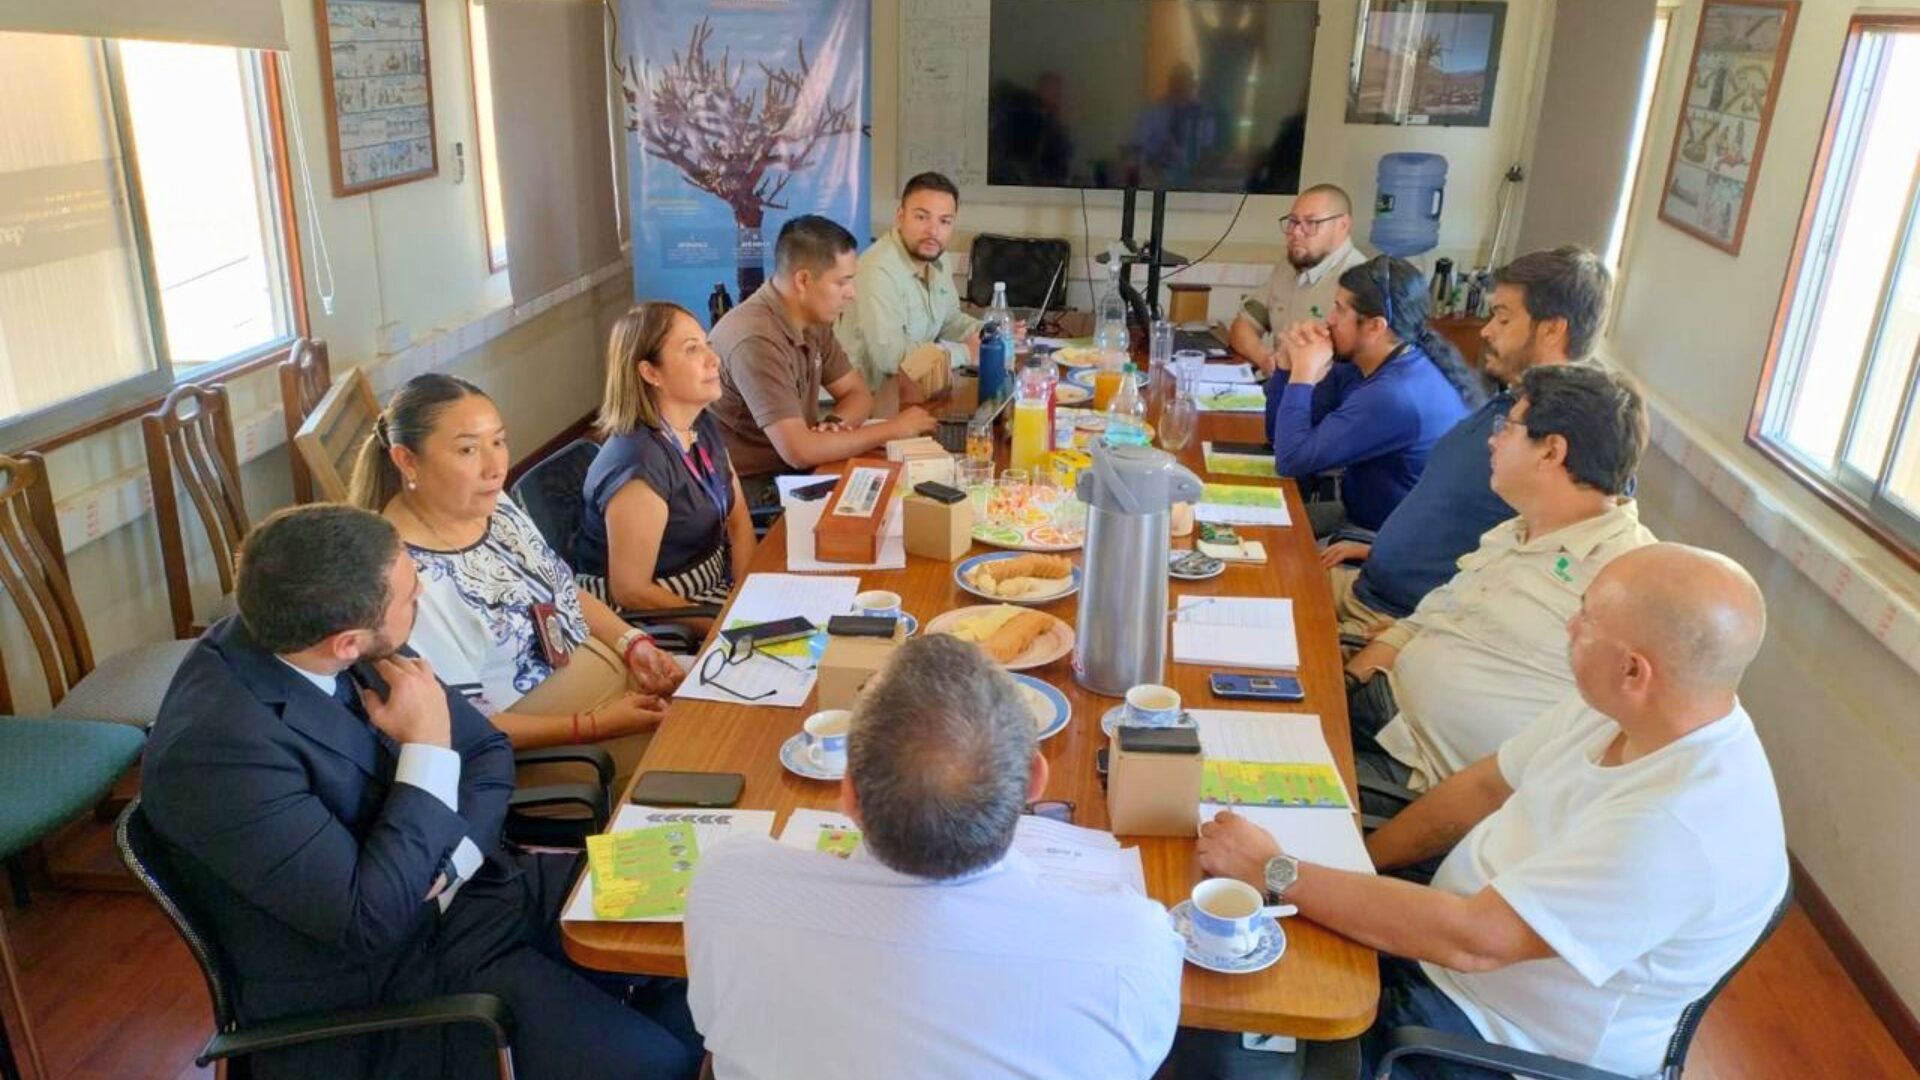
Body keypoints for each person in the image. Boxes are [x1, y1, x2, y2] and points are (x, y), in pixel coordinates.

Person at [142, 505, 703, 1080]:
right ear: (346, 644)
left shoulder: (324, 626)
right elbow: (371, 918)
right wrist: (429, 748)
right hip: (391, 984)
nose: (423, 598)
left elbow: (486, 752)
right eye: (411, 596)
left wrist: (456, 861)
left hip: (485, 890)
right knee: (660, 1063)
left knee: (699, 909)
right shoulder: (215, 753)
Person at [1198, 543, 1786, 1079]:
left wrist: (1276, 871)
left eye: (1586, 620)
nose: (1570, 626)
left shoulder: (1679, 826)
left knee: (1225, 1029)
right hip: (1439, 945)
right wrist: (1357, 865)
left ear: (1635, 669)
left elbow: (1475, 941)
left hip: (1481, 1035)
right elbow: (1484, 787)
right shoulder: (1625, 709)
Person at [685, 636, 1184, 1079]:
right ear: (1035, 781)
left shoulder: (728, 886)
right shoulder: (1136, 945)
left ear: (849, 792)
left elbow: (710, 1024)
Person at [350, 373, 683, 791]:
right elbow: (467, 726)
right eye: (468, 449)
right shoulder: (408, 580)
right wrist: (595, 725)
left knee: (741, 710)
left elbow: (563, 590)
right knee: (719, 758)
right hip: (566, 753)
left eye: (498, 441)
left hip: (622, 695)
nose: (495, 467)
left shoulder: (493, 504)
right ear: (406, 461)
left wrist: (632, 644)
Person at [1343, 365, 1654, 808]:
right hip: (1378, 712)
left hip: (1417, 779)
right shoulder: (1517, 528)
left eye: (1507, 427)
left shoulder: (1628, 581)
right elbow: (1423, 622)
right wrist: (1345, 690)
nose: (1492, 440)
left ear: (1551, 451)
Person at [1324, 245, 1614, 637]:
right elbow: (1456, 512)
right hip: (1370, 581)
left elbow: (1530, 589)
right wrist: (1382, 548)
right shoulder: (1512, 401)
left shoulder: (1566, 445)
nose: (1486, 330)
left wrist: (1414, 634)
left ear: (1552, 329)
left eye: (1503, 318)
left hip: (1395, 619)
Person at [710, 214, 939, 507]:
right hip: (749, 488)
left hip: (794, 469)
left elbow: (857, 394)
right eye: (842, 282)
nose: (851, 294)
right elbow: (800, 451)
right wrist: (892, 429)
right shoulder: (755, 339)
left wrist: (834, 424)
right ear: (803, 280)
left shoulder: (812, 319)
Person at [1267, 254, 1483, 536]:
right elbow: (1280, 439)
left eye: (1340, 310)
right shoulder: (1368, 365)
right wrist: (1286, 366)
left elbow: (1290, 460)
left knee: (1268, 536)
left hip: (1384, 538)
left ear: (1375, 326)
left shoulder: (1392, 395)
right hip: (1363, 515)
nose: (1329, 319)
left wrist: (1303, 374)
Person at [575, 301, 756, 615]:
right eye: (692, 349)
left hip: (713, 589)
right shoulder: (638, 463)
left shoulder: (699, 422)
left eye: (707, 344)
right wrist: (727, 624)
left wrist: (746, 596)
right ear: (650, 372)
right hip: (658, 614)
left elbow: (738, 519)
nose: (713, 359)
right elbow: (631, 591)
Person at [836, 172, 980, 415]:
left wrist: (990, 333)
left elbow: (949, 321)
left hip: (912, 394)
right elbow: (891, 359)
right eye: (922, 217)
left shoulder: (937, 257)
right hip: (867, 405)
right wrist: (965, 353)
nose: (933, 231)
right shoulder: (878, 270)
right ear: (900, 216)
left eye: (945, 221)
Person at [1227, 184, 1368, 372]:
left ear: (1342, 225)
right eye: (1293, 221)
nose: (1296, 232)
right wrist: (1265, 359)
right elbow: (1243, 325)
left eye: (1311, 223)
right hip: (1277, 381)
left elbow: (1352, 371)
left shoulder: (1360, 281)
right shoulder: (1289, 265)